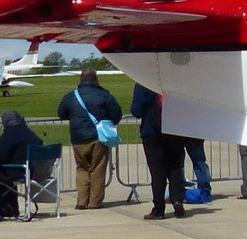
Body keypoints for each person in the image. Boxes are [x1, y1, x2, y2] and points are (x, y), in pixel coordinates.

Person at [58, 69, 122, 210]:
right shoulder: (104, 95)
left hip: (78, 138)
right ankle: (95, 202)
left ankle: (81, 201)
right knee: (97, 169)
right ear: (96, 80)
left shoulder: (71, 96)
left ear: (80, 80)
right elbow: (117, 114)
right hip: (98, 137)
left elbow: (61, 113)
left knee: (82, 168)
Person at [130, 84, 186, 220]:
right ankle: (177, 200)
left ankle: (159, 209)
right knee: (175, 166)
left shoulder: (143, 82)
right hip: (175, 129)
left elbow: (136, 110)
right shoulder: (176, 79)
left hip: (152, 131)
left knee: (157, 172)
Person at [0, 107, 40, 217]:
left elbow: (1, 157)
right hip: (36, 171)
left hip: (20, 171)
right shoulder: (31, 133)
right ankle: (12, 208)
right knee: (6, 175)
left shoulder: (8, 135)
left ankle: (6, 208)